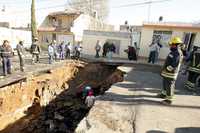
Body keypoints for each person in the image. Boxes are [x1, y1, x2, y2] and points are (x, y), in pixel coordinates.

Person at [158, 37, 183, 104]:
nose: (171, 45)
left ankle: (169, 100)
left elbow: (174, 64)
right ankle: (164, 94)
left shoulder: (177, 53)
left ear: (176, 45)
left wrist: (166, 69)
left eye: (172, 44)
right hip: (167, 73)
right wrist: (163, 70)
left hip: (171, 73)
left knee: (169, 86)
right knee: (165, 84)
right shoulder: (173, 51)